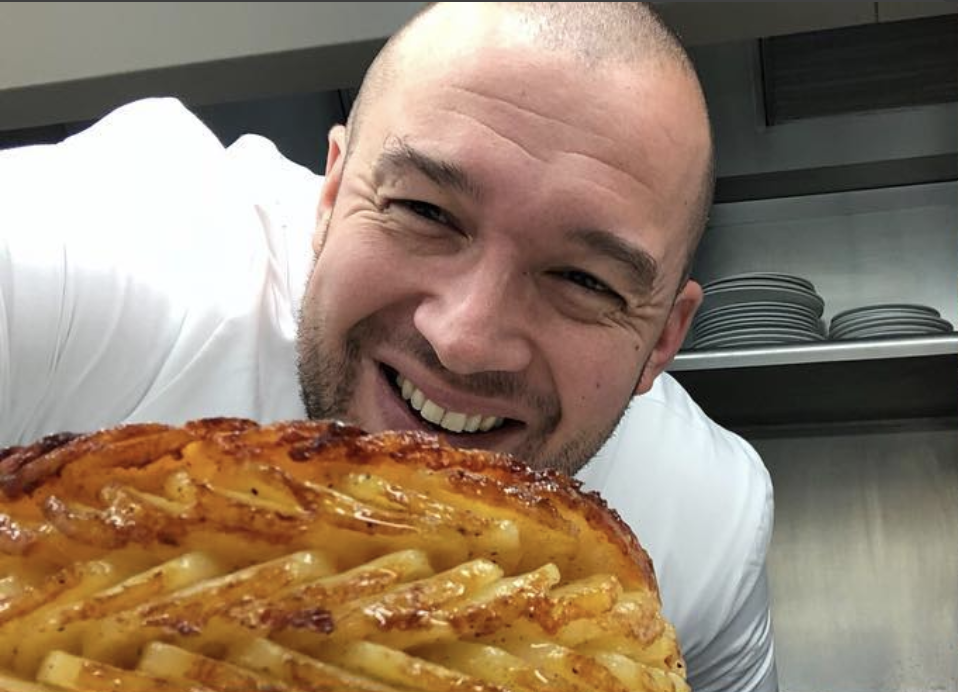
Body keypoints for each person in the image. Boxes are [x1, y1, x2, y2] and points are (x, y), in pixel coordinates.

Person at [0, 2, 776, 689]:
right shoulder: (107, 258)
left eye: (584, 279)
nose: (466, 341)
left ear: (664, 338)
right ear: (330, 196)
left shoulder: (704, 523)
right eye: (425, 212)